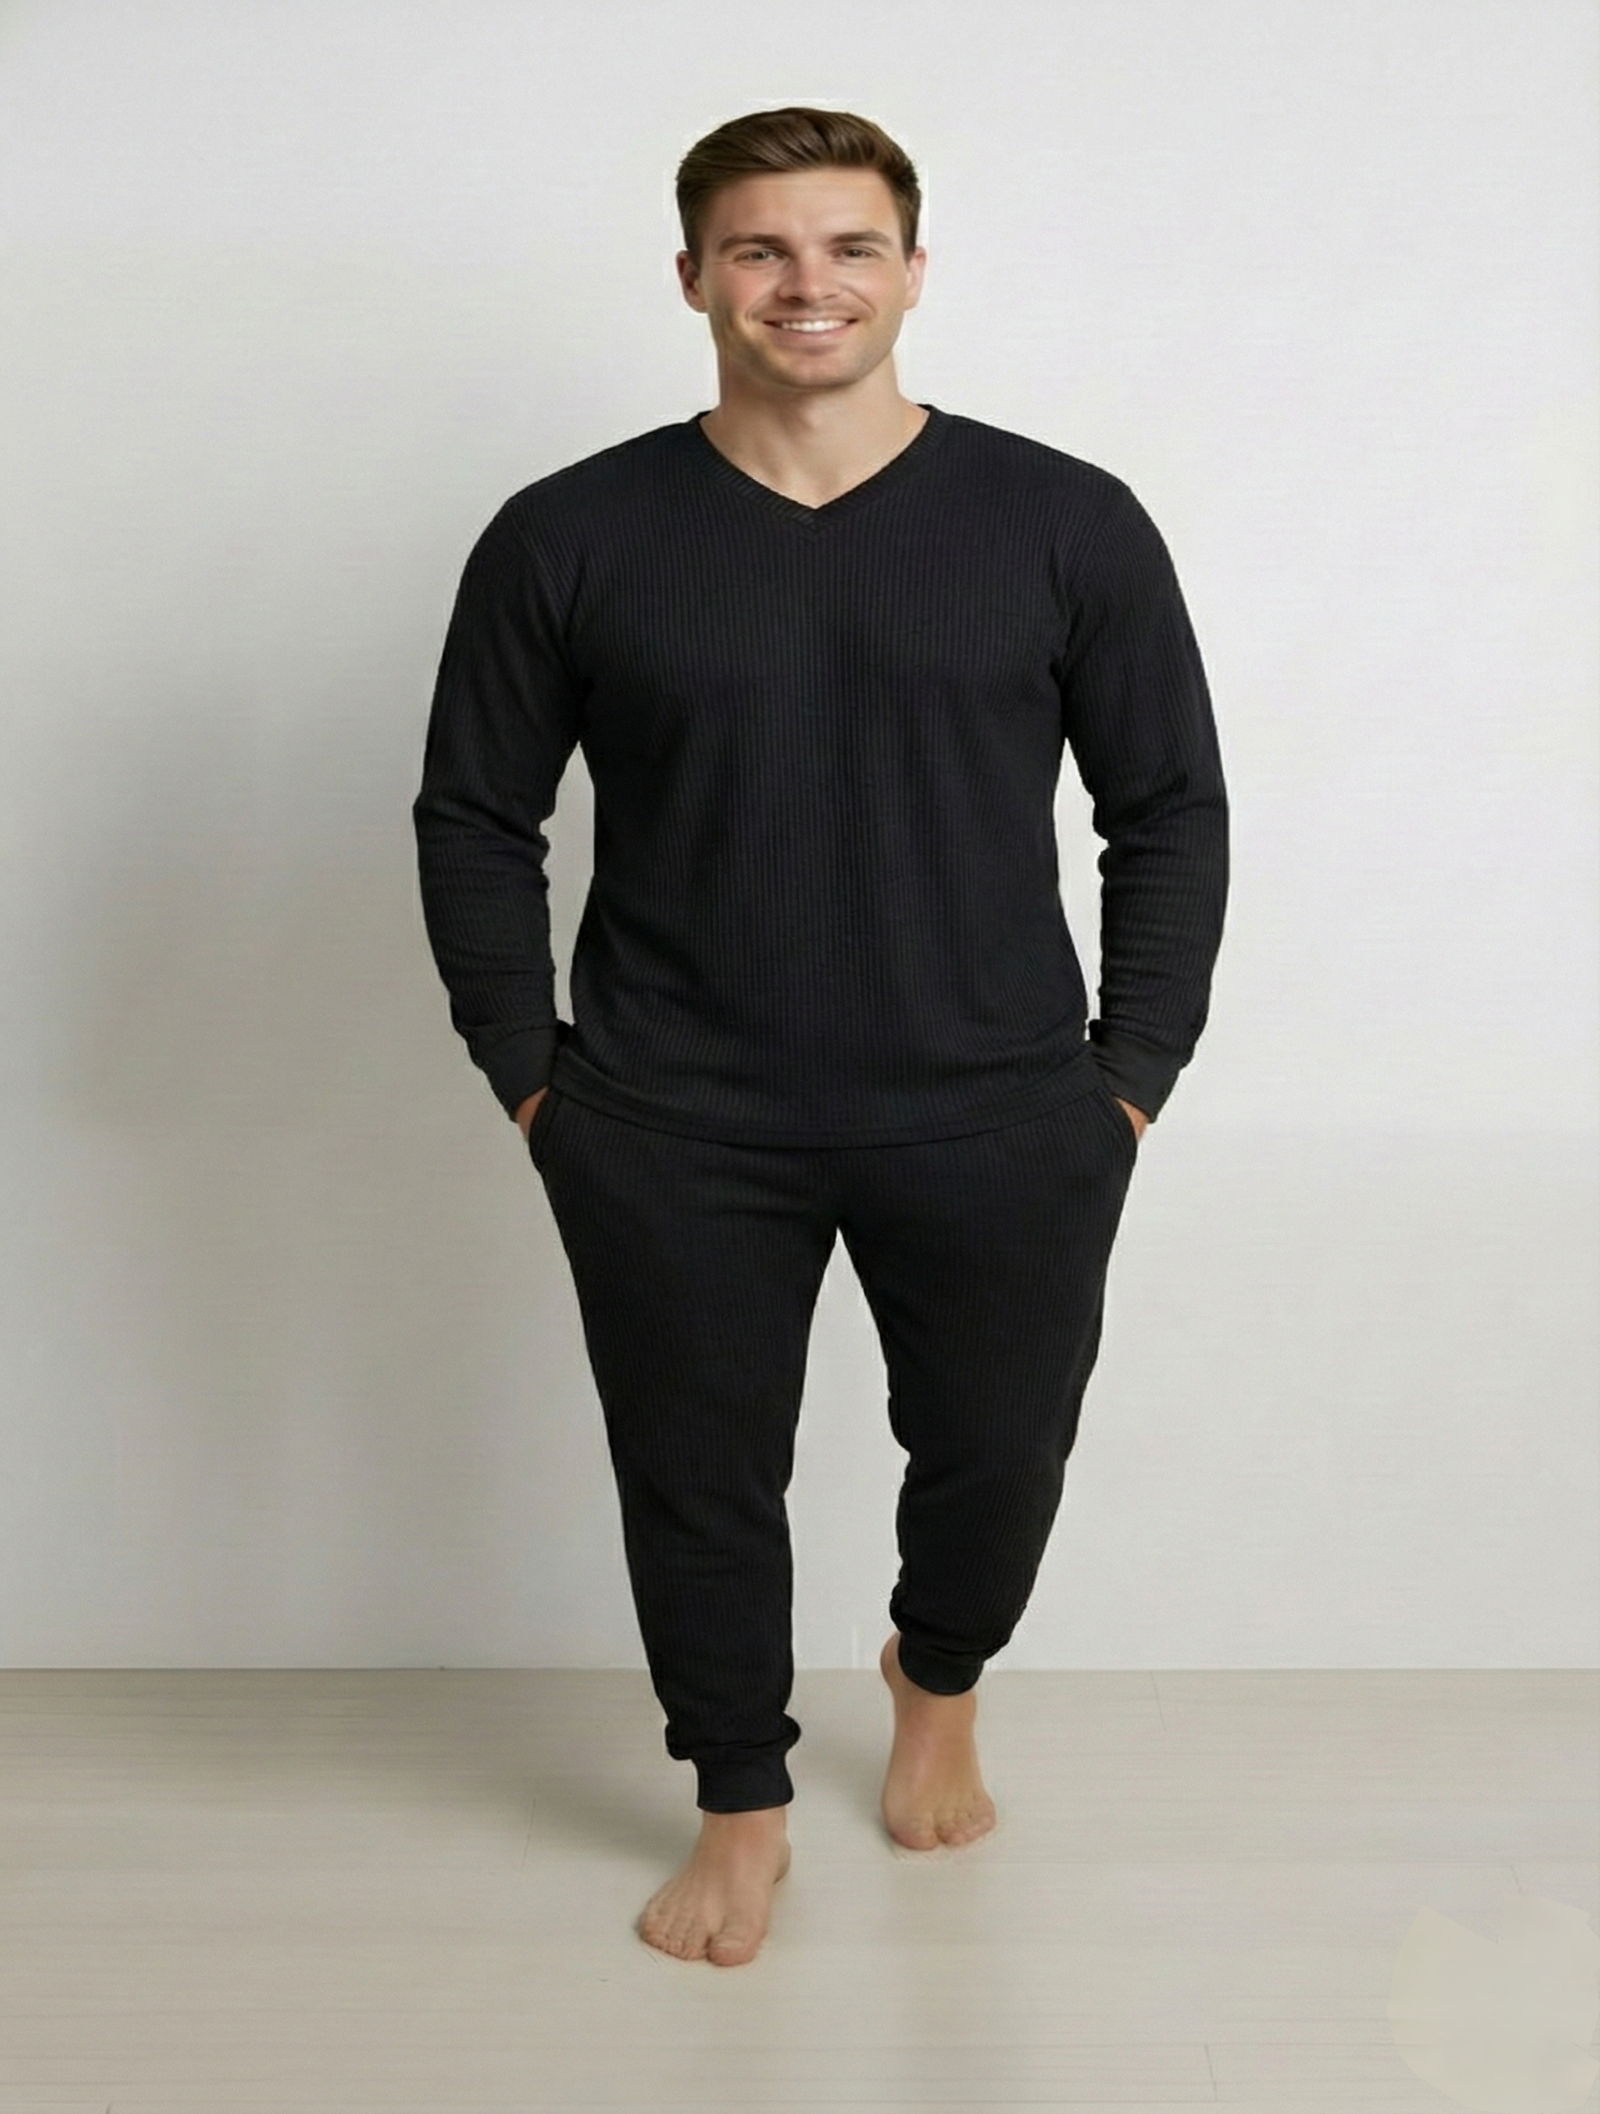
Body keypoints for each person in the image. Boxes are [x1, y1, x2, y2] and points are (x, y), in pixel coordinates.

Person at [412, 105, 1228, 1969]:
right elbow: (475, 815)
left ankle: (936, 1674)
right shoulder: (568, 533)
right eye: (762, 249)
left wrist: (1130, 1075)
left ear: (913, 273)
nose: (808, 284)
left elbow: (1168, 806)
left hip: (1006, 1103)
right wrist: (532, 1074)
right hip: (666, 1110)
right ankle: (741, 1801)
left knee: (999, 1451)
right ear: (693, 276)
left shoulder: (1066, 520)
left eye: (850, 246)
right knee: (697, 1474)